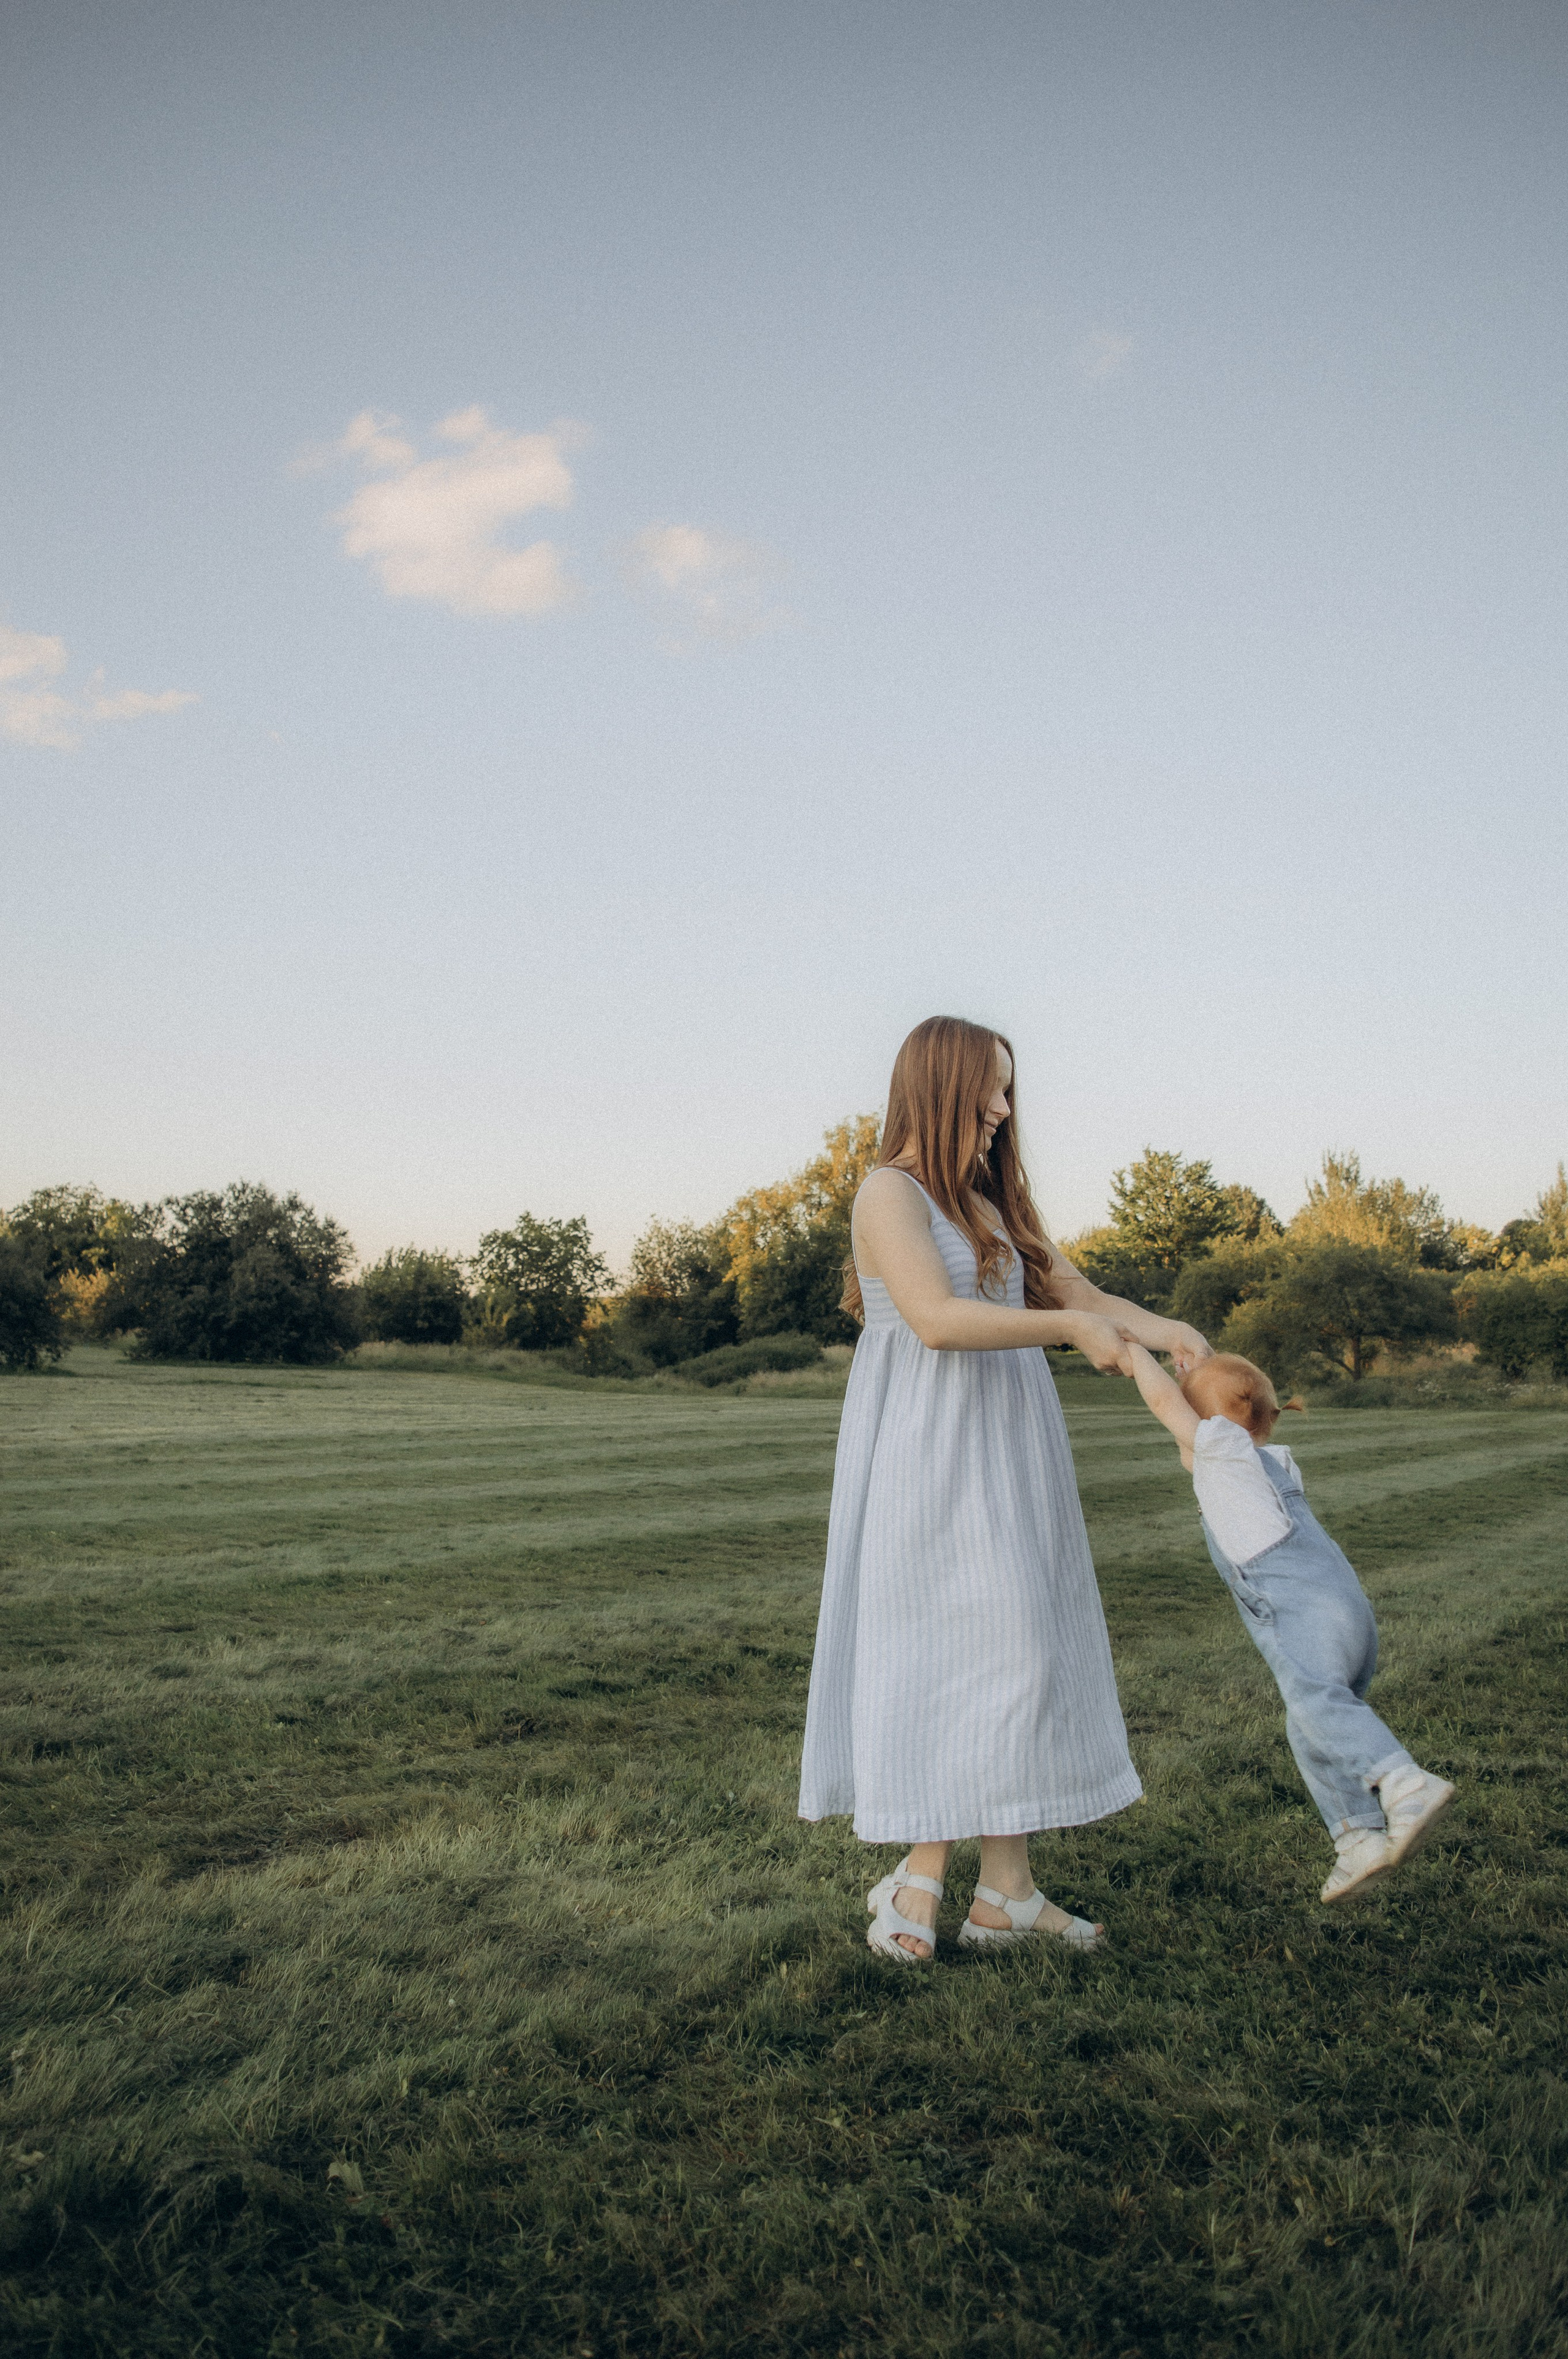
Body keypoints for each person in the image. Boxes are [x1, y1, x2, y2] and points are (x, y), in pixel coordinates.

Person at [797, 1014, 1212, 1961]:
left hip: (1008, 1442)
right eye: (989, 1086)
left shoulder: (992, 1202)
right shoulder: (887, 1193)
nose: (1003, 1105)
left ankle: (1004, 1892)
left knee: (1022, 1640)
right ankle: (927, 1874)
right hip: (927, 1445)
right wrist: (1065, 1334)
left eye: (1008, 1087)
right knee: (956, 1647)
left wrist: (1165, 1327)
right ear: (940, 1085)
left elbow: (1080, 1293)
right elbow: (938, 1320)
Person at [1117, 1342, 1455, 1901]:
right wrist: (1196, 1375)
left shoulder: (1221, 1450)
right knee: (1311, 1723)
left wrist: (1136, 1355)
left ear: (1211, 1422)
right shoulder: (1270, 1461)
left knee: (1317, 1703)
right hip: (1348, 1609)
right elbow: (1193, 1445)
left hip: (1302, 1614)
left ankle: (1403, 1782)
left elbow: (1165, 1408)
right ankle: (1358, 1839)